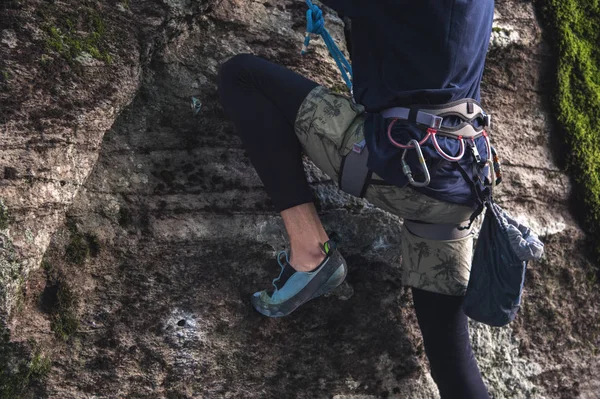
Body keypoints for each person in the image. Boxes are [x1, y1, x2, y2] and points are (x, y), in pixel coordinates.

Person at [218, 1, 494, 397]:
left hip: (402, 165)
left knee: (241, 76)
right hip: (461, 180)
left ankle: (309, 251)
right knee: (451, 360)